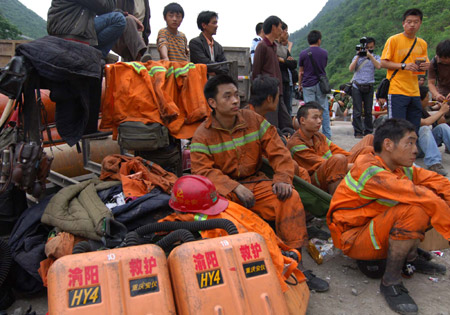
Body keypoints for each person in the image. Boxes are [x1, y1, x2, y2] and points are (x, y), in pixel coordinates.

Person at [190, 74, 329, 292]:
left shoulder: (253, 120)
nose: (235, 100)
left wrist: (283, 177)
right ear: (212, 103)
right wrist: (234, 186)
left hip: (256, 183)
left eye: (236, 95)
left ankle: (297, 265)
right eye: (227, 97)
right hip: (225, 193)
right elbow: (203, 172)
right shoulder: (201, 135)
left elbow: (279, 151)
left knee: (289, 197)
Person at [327, 118, 449, 314]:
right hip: (354, 238)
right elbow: (424, 197)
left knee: (434, 195)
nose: (416, 150)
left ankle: (408, 256)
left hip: (372, 229)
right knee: (418, 207)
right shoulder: (370, 169)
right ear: (388, 145)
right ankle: (390, 280)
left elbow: (437, 181)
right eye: (409, 142)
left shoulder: (399, 168)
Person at [162, 175, 306, 293]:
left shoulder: (216, 228)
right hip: (274, 266)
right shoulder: (232, 211)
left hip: (263, 276)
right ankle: (287, 259)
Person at [287, 102, 373, 195]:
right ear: (302, 120)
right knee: (338, 160)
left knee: (368, 148)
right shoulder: (295, 143)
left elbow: (339, 151)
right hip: (314, 182)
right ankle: (337, 202)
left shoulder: (318, 136)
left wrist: (360, 158)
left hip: (333, 166)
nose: (319, 121)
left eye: (320, 117)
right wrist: (362, 165)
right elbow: (323, 164)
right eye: (315, 118)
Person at [245, 75, 311, 182]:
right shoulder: (248, 119)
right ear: (269, 99)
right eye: (278, 96)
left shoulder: (259, 116)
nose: (279, 100)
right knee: (296, 168)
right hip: (259, 170)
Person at [380, 8, 429, 131]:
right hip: (397, 90)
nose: (412, 24)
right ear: (403, 23)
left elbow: (425, 62)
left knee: (414, 128)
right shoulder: (394, 40)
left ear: (420, 23)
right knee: (397, 128)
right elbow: (383, 62)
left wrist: (426, 66)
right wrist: (403, 66)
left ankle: (411, 150)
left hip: (414, 91)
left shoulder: (422, 43)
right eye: (409, 21)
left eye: (416, 22)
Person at [253, 16, 293, 131]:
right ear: (273, 27)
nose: (281, 31)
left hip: (278, 90)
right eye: (280, 27)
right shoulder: (262, 46)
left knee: (286, 121)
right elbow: (256, 71)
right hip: (268, 93)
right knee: (271, 124)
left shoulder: (274, 47)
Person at [47, 0, 126, 58]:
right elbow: (104, 7)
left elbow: (102, 8)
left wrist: (123, 13)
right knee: (118, 19)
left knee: (120, 18)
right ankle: (95, 57)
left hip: (70, 26)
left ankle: (95, 56)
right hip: (69, 28)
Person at [298, 30, 331, 139]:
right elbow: (323, 66)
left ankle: (310, 135)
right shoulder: (324, 53)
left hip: (308, 84)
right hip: (321, 85)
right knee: (324, 109)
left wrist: (300, 84)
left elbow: (301, 72)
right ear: (319, 40)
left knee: (309, 111)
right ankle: (327, 136)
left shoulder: (303, 53)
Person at [349, 37, 381, 137]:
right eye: (367, 47)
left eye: (371, 47)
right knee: (357, 111)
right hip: (357, 85)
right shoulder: (357, 57)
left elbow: (379, 66)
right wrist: (358, 56)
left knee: (368, 111)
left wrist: (370, 56)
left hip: (369, 85)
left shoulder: (375, 57)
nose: (369, 49)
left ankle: (368, 131)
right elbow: (351, 69)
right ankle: (358, 131)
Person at [418, 85, 450, 176]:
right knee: (424, 129)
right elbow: (424, 123)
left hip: (423, 146)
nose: (428, 101)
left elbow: (440, 123)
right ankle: (434, 163)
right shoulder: (412, 110)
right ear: (420, 100)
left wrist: (442, 109)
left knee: (443, 127)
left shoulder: (423, 109)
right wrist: (441, 112)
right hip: (414, 147)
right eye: (427, 98)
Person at [189, 11, 228, 76]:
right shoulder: (195, 43)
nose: (216, 26)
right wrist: (219, 70)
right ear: (204, 25)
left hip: (216, 84)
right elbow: (205, 63)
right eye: (214, 23)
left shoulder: (218, 46)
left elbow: (226, 67)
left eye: (216, 23)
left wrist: (213, 71)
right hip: (200, 83)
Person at [277, 22, 297, 116]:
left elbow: (293, 64)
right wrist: (286, 61)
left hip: (286, 81)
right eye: (286, 31)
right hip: (277, 81)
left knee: (286, 108)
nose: (287, 34)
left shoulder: (284, 49)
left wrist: (282, 60)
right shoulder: (273, 46)